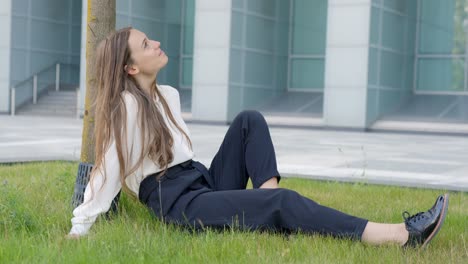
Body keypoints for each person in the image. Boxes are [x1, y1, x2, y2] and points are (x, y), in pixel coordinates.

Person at [67, 27, 449, 248]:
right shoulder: (127, 108)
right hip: (177, 202)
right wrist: (79, 226)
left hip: (199, 181)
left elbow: (184, 156)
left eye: (151, 39)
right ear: (131, 66)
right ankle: (399, 235)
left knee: (249, 120)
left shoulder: (167, 96)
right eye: (146, 45)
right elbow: (109, 169)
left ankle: (270, 210)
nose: (156, 44)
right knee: (283, 201)